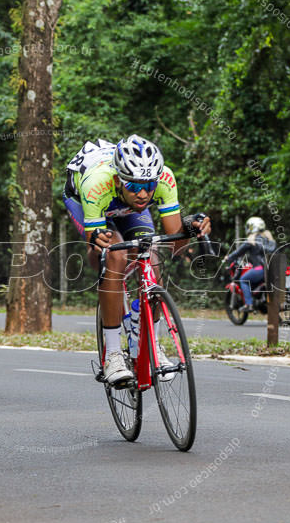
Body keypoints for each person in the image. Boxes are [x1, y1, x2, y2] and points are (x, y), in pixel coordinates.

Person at [62, 135, 211, 384]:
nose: (142, 194)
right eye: (133, 186)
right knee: (114, 256)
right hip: (86, 199)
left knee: (151, 256)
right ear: (119, 179)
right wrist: (103, 252)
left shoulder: (164, 178)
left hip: (125, 207)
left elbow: (175, 245)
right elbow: (95, 253)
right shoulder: (96, 183)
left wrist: (190, 229)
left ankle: (150, 342)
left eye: (148, 186)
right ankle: (112, 355)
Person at [223, 216, 276, 312]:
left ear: (251, 227)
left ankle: (249, 304)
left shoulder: (252, 240)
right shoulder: (270, 239)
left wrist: (228, 257)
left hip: (261, 268)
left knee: (244, 280)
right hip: (275, 268)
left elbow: (238, 252)